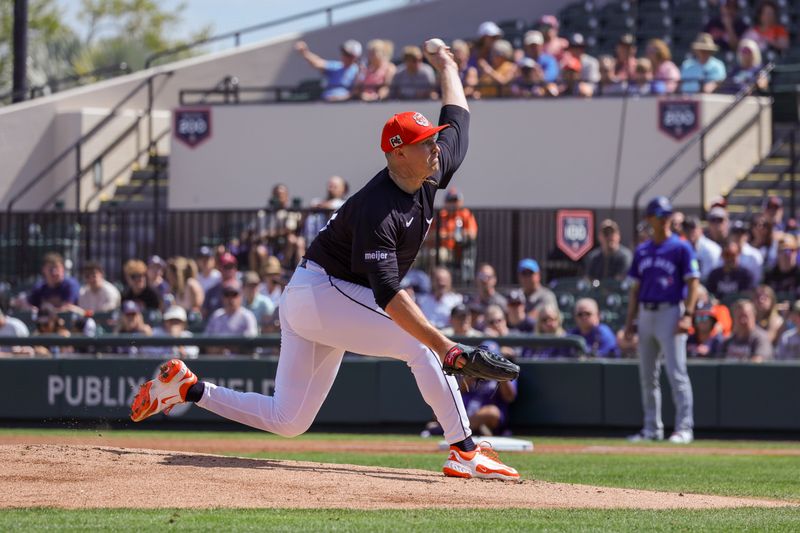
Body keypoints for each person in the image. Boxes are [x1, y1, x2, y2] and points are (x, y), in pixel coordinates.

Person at [131, 41, 519, 480]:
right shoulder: (380, 207)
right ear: (395, 154)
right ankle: (465, 450)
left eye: (432, 141)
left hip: (323, 296)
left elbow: (458, 121)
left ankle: (188, 388)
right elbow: (389, 294)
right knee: (419, 343)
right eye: (423, 143)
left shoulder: (427, 171)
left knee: (289, 419)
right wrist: (446, 347)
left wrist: (447, 65)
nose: (435, 148)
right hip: (322, 292)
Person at [624, 196, 699, 444]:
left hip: (671, 311)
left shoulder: (681, 247)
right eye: (659, 215)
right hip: (646, 312)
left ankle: (684, 428)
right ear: (649, 219)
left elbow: (693, 283)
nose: (664, 219)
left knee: (677, 372)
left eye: (667, 215)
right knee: (648, 375)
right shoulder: (642, 250)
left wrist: (688, 315)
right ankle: (651, 429)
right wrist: (629, 324)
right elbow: (634, 290)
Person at [459, 340, 517, 437]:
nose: (488, 361)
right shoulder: (471, 369)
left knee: (491, 412)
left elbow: (509, 397)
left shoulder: (507, 372)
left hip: (489, 415)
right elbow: (460, 390)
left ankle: (457, 430)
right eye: (485, 358)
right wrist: (475, 372)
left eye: (492, 357)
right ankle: (476, 429)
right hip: (466, 411)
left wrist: (501, 375)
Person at [294, 39, 362, 101]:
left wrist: (341, 98)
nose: (344, 56)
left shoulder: (358, 70)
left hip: (345, 105)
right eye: (343, 52)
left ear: (355, 57)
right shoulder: (336, 66)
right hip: (326, 103)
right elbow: (317, 63)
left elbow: (356, 91)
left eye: (347, 54)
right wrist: (305, 52)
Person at [204, 284, 258, 355]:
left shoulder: (247, 316)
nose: (231, 299)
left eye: (234, 295)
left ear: (240, 297)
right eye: (227, 295)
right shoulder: (216, 315)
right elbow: (206, 340)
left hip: (241, 361)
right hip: (218, 360)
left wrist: (226, 346)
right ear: (222, 298)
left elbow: (251, 340)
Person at [682, 216, 721, 283]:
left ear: (700, 229)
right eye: (686, 228)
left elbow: (710, 277)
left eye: (692, 228)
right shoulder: (683, 247)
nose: (689, 231)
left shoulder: (710, 249)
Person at [727, 220, 764, 285]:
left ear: (747, 236)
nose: (738, 236)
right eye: (735, 233)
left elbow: (757, 280)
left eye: (741, 233)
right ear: (730, 236)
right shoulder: (724, 253)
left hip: (748, 291)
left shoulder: (755, 255)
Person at [203, 252, 240, 317]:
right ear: (220, 268)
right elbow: (204, 314)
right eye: (226, 267)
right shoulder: (211, 291)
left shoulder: (242, 289)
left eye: (231, 266)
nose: (229, 270)